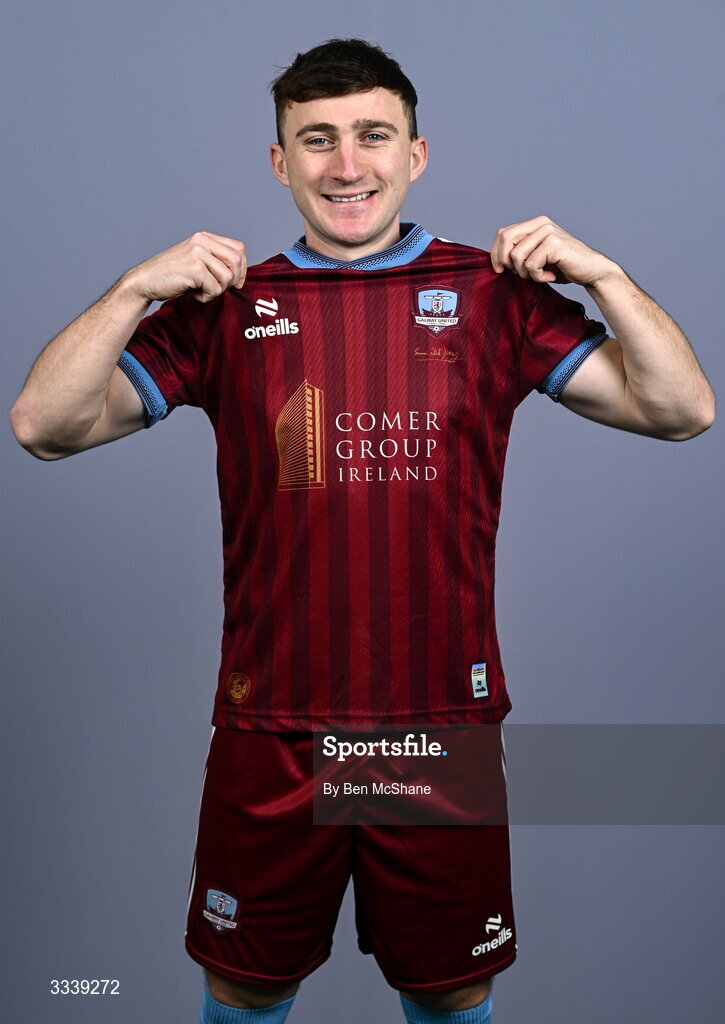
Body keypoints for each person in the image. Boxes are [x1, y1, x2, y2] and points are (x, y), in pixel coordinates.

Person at [10, 37, 715, 1024]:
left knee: (451, 986)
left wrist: (602, 274)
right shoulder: (230, 305)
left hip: (435, 723)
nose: (347, 165)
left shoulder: (490, 296)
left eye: (372, 136)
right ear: (279, 161)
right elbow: (43, 425)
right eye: (317, 140)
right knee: (244, 983)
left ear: (414, 153)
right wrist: (133, 289)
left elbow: (682, 409)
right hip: (276, 725)